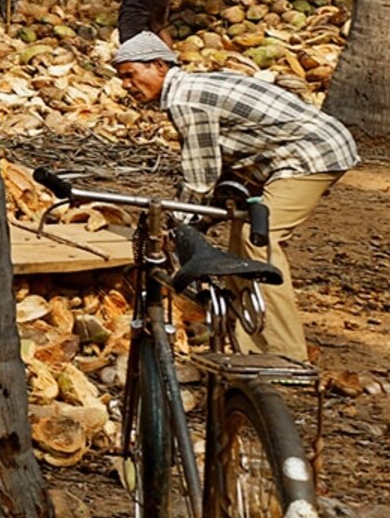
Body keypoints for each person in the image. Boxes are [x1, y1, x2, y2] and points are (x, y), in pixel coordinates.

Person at [112, 32, 357, 360]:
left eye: (131, 75)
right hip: (293, 151)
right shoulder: (191, 88)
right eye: (122, 78)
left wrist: (176, 231)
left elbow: (200, 180)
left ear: (159, 65)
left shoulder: (185, 100)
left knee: (258, 240)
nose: (126, 85)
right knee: (240, 241)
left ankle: (285, 353)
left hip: (313, 154)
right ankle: (249, 341)